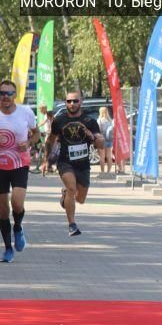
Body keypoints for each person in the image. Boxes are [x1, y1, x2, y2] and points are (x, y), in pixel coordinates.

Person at [46, 89, 103, 237]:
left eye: (75, 101)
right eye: (69, 101)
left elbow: (101, 144)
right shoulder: (59, 121)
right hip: (65, 162)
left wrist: (92, 136)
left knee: (81, 199)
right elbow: (50, 140)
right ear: (65, 103)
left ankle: (66, 195)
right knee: (72, 188)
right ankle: (72, 225)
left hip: (83, 164)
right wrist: (47, 160)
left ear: (81, 102)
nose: (72, 104)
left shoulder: (89, 121)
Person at [0, 80, 39, 262]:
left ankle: (17, 227)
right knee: (2, 210)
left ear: (15, 95)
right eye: (2, 93)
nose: (5, 96)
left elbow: (36, 133)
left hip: (19, 163)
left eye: (9, 93)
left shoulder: (25, 112)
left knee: (17, 203)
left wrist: (29, 143)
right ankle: (8, 248)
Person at [97, 106, 113, 174]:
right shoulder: (110, 120)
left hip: (102, 140)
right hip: (109, 139)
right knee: (109, 156)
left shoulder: (100, 120)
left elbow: (98, 131)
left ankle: (102, 172)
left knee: (102, 157)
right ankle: (108, 171)